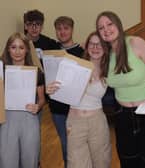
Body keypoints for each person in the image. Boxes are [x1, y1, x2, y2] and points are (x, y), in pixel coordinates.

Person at [96, 11, 145, 168]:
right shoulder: (105, 55)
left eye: (109, 24)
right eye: (101, 27)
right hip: (122, 117)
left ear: (118, 25)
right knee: (128, 162)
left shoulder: (136, 43)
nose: (106, 29)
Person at [46, 31, 112, 168]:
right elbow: (59, 86)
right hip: (75, 122)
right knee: (76, 164)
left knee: (102, 162)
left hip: (97, 122)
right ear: (86, 47)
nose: (95, 47)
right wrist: (51, 89)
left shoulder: (110, 69)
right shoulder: (75, 66)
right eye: (92, 44)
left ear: (106, 47)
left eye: (100, 44)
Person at [0, 32, 45, 168]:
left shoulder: (36, 72)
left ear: (27, 49)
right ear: (8, 49)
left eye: (21, 47)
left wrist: (38, 106)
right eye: (13, 47)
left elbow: (42, 99)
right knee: (7, 161)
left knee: (30, 160)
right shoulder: (1, 71)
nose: (17, 51)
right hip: (7, 121)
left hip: (29, 120)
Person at [47, 16, 84, 168]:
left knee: (78, 145)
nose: (62, 32)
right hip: (57, 109)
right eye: (59, 29)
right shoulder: (51, 51)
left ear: (72, 29)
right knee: (65, 144)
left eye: (66, 28)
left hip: (77, 109)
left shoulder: (82, 52)